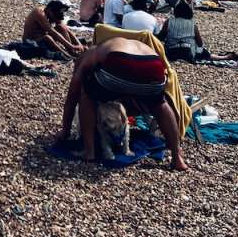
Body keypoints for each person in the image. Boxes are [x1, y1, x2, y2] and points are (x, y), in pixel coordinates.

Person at [58, 35, 187, 171]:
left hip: (119, 60)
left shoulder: (88, 55)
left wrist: (65, 131)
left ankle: (89, 151)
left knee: (86, 95)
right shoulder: (115, 45)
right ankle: (177, 157)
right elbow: (130, 87)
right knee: (160, 104)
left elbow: (72, 97)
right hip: (153, 64)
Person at [159, 1, 238, 63]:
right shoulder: (192, 24)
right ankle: (224, 57)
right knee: (203, 52)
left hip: (171, 52)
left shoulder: (168, 22)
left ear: (176, 11)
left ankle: (224, 57)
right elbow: (200, 43)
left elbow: (161, 37)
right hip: (189, 53)